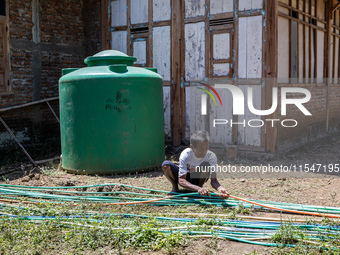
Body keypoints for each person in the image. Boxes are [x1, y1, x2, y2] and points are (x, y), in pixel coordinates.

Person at [162, 130, 230, 198]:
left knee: (206, 165)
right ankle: (175, 187)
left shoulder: (211, 157)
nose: (204, 151)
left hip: (197, 178)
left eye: (206, 147)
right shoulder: (186, 154)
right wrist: (198, 189)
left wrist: (220, 188)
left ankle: (200, 188)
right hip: (185, 177)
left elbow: (214, 181)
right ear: (192, 147)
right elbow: (181, 180)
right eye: (201, 148)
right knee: (166, 165)